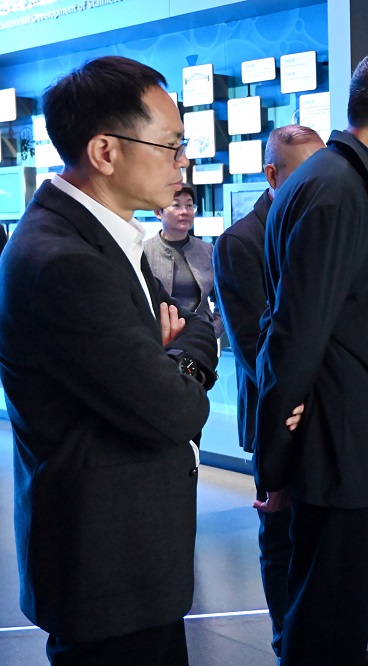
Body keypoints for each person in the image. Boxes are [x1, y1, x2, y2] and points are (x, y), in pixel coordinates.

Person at [0, 56, 219, 664]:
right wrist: (186, 352)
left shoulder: (100, 238)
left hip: (128, 556)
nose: (182, 161)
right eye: (171, 145)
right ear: (105, 151)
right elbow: (174, 410)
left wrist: (167, 356)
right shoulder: (63, 261)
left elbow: (164, 360)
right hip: (106, 568)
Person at [254, 49, 368, 666]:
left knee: (338, 593)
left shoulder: (333, 180)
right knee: (329, 598)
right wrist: (275, 461)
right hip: (336, 436)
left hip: (343, 429)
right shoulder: (336, 191)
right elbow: (297, 331)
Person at [212, 124, 325, 662]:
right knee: (280, 535)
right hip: (276, 413)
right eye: (305, 173)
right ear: (272, 175)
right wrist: (296, 398)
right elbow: (255, 345)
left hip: (319, 410)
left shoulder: (320, 224)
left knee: (319, 535)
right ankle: (288, 644)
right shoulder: (240, 241)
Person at [145, 183, 224, 338]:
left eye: (189, 205)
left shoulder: (208, 250)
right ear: (158, 212)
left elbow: (223, 301)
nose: (184, 211)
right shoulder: (144, 252)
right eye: (176, 205)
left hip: (201, 338)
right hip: (157, 341)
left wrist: (212, 331)